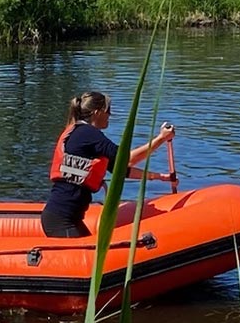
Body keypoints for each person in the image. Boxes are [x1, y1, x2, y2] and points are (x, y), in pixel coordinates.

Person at [44, 92, 178, 238]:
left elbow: (121, 169)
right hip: (62, 219)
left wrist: (159, 177)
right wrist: (161, 138)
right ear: (97, 112)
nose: (110, 115)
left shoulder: (84, 134)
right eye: (108, 111)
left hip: (66, 217)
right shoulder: (88, 133)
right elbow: (126, 159)